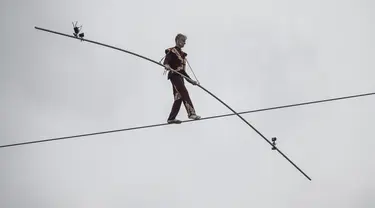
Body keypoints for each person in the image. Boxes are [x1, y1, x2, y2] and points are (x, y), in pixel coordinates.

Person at [163, 33, 201, 124]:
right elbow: (167, 60)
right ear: (177, 41)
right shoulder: (171, 51)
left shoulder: (182, 55)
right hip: (174, 75)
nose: (184, 43)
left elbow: (183, 72)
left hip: (180, 77)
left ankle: (171, 118)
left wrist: (191, 81)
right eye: (183, 41)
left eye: (185, 41)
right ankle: (191, 113)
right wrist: (167, 65)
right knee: (184, 92)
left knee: (178, 97)